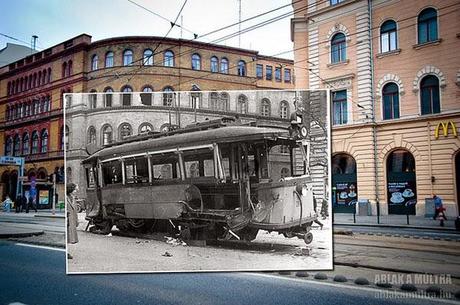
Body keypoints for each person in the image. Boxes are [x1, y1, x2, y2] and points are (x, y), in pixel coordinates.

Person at [66, 183, 79, 259]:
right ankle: (66, 252)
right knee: (67, 236)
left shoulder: (73, 198)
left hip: (72, 220)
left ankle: (67, 252)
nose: (75, 191)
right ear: (70, 189)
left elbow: (75, 211)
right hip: (67, 220)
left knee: (69, 237)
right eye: (74, 190)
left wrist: (76, 221)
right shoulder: (66, 197)